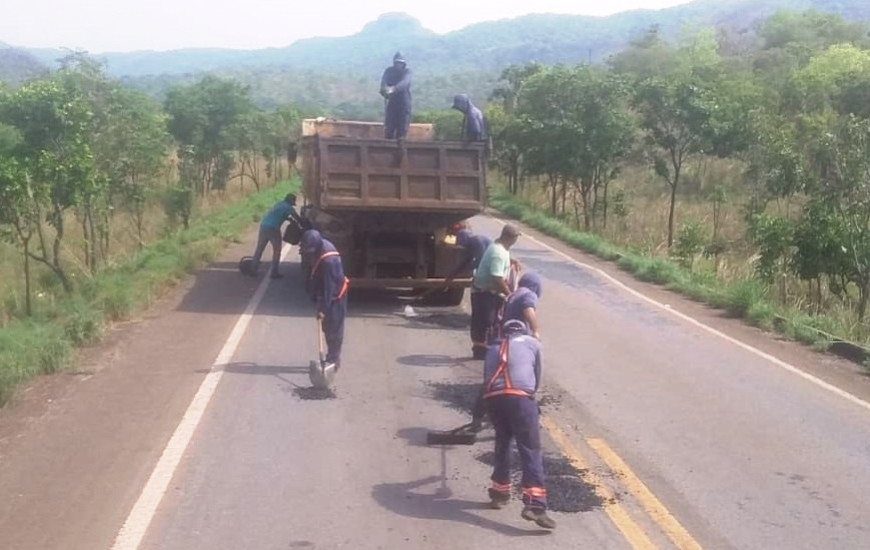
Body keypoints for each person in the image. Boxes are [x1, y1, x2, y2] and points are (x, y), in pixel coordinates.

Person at [482, 319, 555, 529]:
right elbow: (537, 374)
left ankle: (499, 493)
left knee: (503, 443)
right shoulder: (532, 343)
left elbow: (486, 379)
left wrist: (479, 413)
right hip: (520, 399)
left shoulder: (493, 346)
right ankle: (535, 504)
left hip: (493, 399)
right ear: (524, 330)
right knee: (530, 449)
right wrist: (529, 397)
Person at [469, 223, 521, 359]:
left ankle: (484, 349)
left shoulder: (499, 248)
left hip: (488, 290)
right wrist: (509, 294)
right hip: (484, 292)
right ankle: (481, 351)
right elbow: (497, 278)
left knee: (488, 321)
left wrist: (511, 260)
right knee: (485, 321)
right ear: (513, 238)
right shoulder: (498, 253)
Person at [300, 229, 349, 371]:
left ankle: (334, 359)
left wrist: (323, 309)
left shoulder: (329, 260)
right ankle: (330, 357)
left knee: (334, 328)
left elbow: (330, 287)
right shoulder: (316, 249)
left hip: (335, 296)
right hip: (324, 292)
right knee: (326, 327)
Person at [250, 193, 303, 279]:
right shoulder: (289, 208)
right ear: (291, 201)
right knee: (277, 250)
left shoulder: (279, 204)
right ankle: (274, 272)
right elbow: (297, 218)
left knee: (259, 248)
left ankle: (253, 269)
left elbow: (276, 214)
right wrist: (303, 224)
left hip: (264, 225)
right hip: (273, 228)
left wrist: (287, 218)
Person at [380, 52, 413, 140]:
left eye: (400, 63)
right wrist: (384, 89)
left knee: (402, 130)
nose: (399, 65)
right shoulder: (389, 71)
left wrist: (393, 89)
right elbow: (383, 82)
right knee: (389, 128)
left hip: (404, 103)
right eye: (397, 63)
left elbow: (405, 83)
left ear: (403, 64)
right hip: (392, 102)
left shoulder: (407, 72)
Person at [501, 272, 542, 340]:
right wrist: (535, 331)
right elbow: (528, 310)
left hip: (507, 332)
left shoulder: (514, 294)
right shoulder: (529, 294)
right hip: (519, 334)